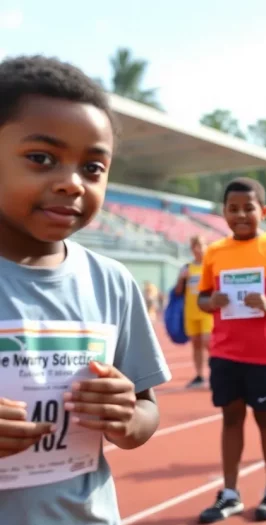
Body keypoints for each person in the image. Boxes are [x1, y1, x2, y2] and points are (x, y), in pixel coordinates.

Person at [0, 55, 171, 524]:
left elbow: (144, 412)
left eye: (93, 167)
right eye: (41, 158)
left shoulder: (111, 281)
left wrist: (126, 416)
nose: (72, 183)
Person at [196, 178, 266, 523]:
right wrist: (213, 301)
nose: (240, 214)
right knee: (230, 419)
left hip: (263, 355)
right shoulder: (214, 252)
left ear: (263, 211)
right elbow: (202, 298)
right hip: (225, 353)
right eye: (233, 208)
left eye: (248, 208)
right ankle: (230, 493)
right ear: (224, 212)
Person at [174, 235, 213, 388]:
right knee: (196, 344)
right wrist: (181, 279)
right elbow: (177, 292)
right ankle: (199, 375)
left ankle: (215, 373)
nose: (197, 250)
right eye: (194, 247)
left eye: (201, 246)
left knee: (207, 342)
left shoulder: (210, 266)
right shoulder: (187, 268)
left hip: (207, 312)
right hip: (191, 312)